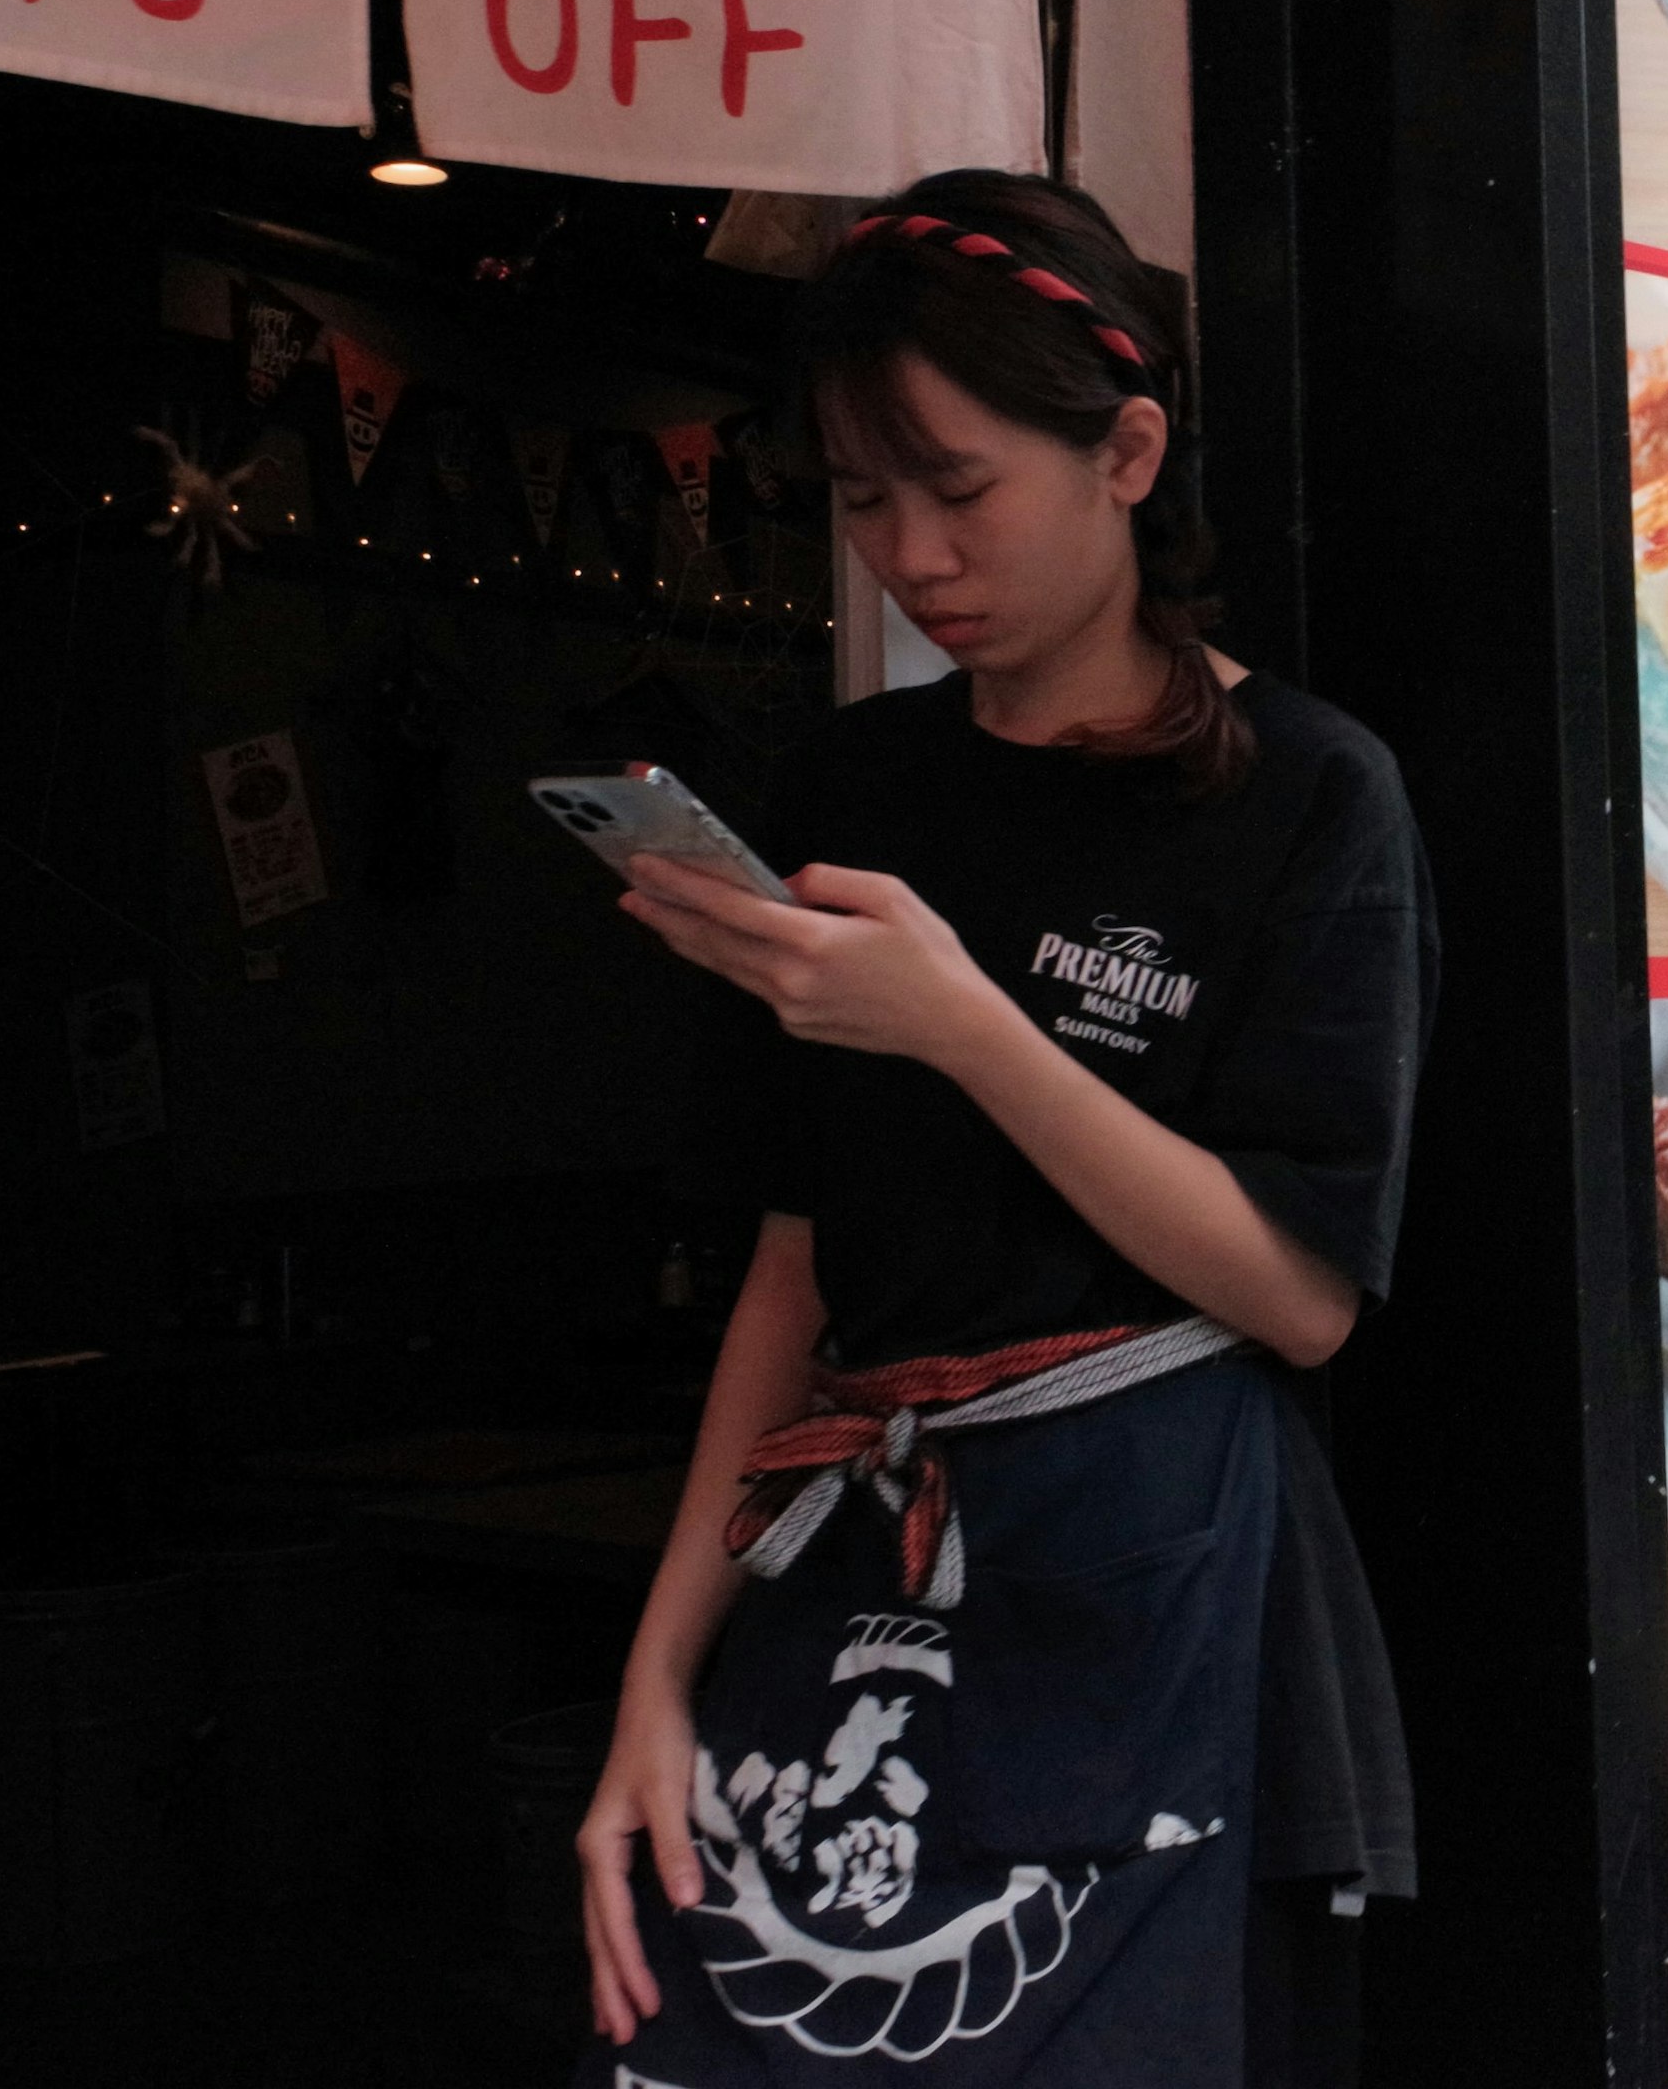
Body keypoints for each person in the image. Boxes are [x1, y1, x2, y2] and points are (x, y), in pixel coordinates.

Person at [572, 170, 1431, 2085]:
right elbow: (798, 1277)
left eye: (960, 489)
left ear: (1127, 451)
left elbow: (1300, 1296)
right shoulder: (852, 780)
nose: (913, 555)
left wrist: (967, 1026)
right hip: (847, 1546)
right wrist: (660, 1675)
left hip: (1150, 1577)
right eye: (866, 502)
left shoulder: (1310, 794)